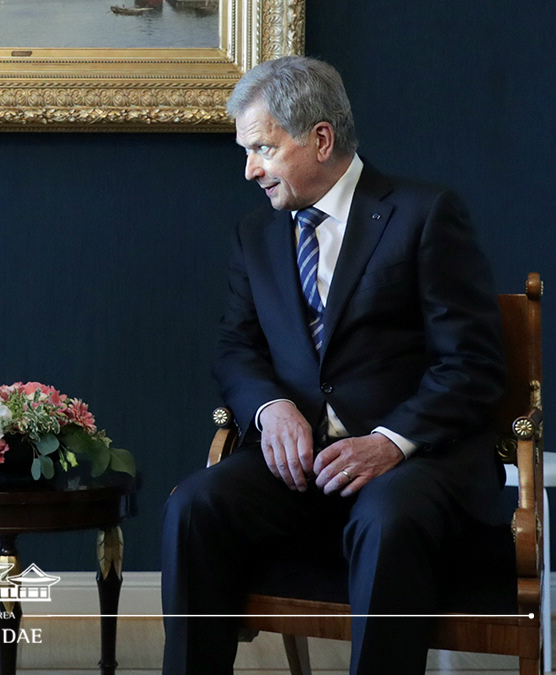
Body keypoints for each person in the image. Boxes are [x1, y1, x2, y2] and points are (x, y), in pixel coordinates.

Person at [161, 56, 507, 675]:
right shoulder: (255, 236)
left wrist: (391, 442)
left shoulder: (425, 214)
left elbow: (472, 364)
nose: (249, 170)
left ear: (320, 139)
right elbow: (236, 349)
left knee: (386, 517)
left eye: (262, 148)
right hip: (297, 466)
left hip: (413, 462)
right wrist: (270, 410)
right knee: (194, 503)